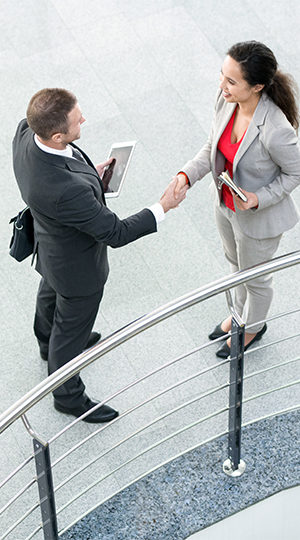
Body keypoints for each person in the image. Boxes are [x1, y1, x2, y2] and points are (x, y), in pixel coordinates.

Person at [12, 88, 188, 422]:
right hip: (78, 270)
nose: (84, 119)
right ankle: (66, 395)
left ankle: (44, 341)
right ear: (58, 134)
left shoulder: (26, 131)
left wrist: (90, 171)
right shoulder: (67, 192)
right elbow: (116, 233)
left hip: (50, 247)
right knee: (71, 329)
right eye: (78, 119)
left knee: (50, 292)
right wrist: (163, 206)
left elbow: (60, 169)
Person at [173, 41, 300, 358]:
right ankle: (240, 317)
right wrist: (186, 176)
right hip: (226, 207)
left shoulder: (276, 129)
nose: (222, 86)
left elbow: (295, 173)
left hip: (258, 217)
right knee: (235, 265)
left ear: (257, 86)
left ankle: (253, 327)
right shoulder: (226, 100)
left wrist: (258, 198)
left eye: (231, 81)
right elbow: (212, 146)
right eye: (222, 76)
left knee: (255, 279)